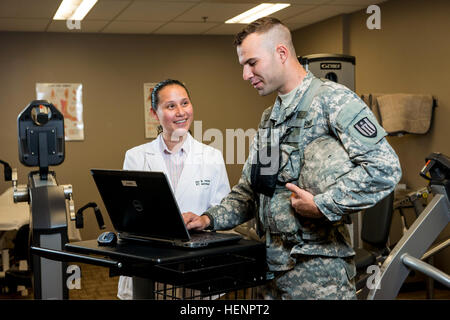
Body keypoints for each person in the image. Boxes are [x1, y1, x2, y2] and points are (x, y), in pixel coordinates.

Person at [183, 17, 402, 300]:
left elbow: (385, 168)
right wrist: (207, 219)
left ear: (282, 53)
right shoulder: (270, 118)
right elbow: (251, 191)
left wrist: (323, 205)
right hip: (273, 271)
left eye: (252, 63)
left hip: (320, 277)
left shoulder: (333, 101)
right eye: (243, 66)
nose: (245, 75)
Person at [117, 79, 230, 300]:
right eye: (171, 106)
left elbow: (223, 210)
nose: (181, 112)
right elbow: (128, 215)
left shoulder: (211, 156)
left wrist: (204, 218)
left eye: (185, 103)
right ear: (154, 113)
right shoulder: (136, 157)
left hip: (195, 267)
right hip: (150, 265)